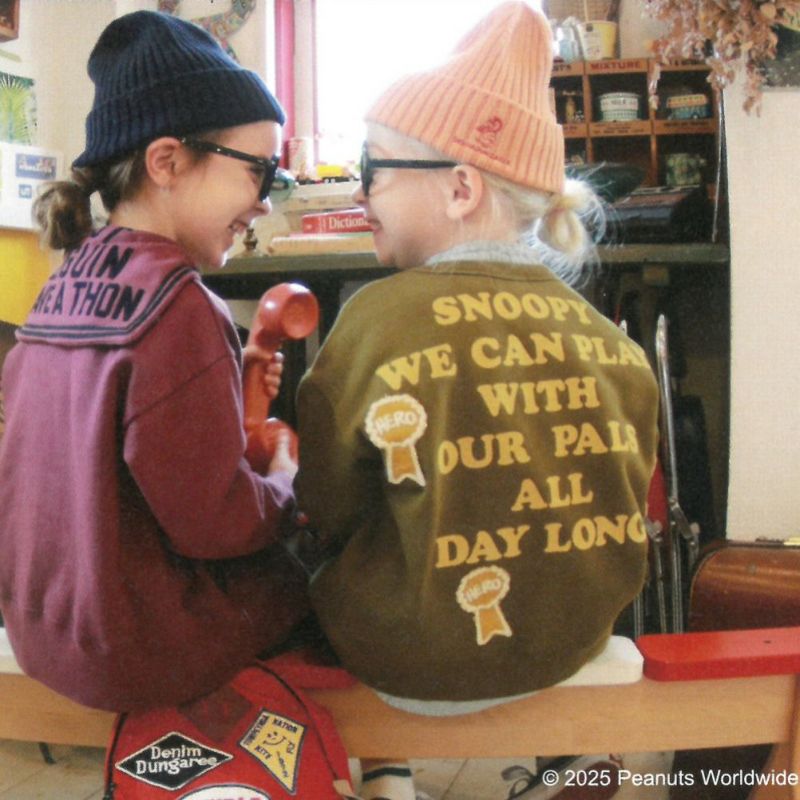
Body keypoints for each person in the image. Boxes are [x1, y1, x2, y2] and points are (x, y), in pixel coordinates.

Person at [295, 5, 658, 794]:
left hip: (405, 656)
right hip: (570, 641)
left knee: (290, 552)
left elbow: (324, 505)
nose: (361, 189)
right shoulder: (612, 341)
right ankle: (567, 762)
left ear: (461, 187)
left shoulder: (374, 319)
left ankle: (384, 766)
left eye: (374, 167)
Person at [0, 11, 309, 712]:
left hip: (45, 631)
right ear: (166, 162)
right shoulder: (181, 304)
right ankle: (367, 760)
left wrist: (225, 384)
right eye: (258, 172)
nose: (265, 203)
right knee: (321, 571)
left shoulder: (63, 281)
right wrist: (286, 486)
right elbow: (217, 523)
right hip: (141, 649)